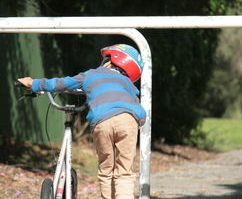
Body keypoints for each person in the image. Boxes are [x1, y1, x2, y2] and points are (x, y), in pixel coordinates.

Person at [17, 43, 146, 199]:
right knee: (124, 172)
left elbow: (60, 83)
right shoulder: (129, 85)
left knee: (106, 170)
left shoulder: (92, 74)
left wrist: (33, 83)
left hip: (102, 120)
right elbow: (139, 109)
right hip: (129, 120)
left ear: (111, 60)